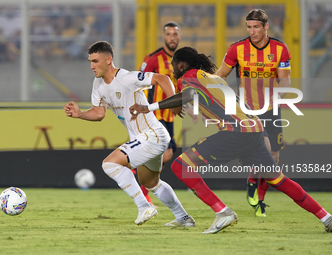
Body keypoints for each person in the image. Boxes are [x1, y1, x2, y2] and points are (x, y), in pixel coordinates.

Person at [129, 46, 332, 234]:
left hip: (236, 131)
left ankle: (222, 212)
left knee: (181, 166)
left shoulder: (188, 76)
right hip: (255, 129)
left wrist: (150, 107)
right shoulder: (214, 78)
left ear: (181, 65)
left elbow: (188, 94)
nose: (172, 69)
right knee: (278, 179)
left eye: (174, 65)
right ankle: (326, 217)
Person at [64, 41, 195, 227]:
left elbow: (163, 79)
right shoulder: (98, 84)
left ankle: (144, 206)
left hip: (152, 135)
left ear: (108, 60)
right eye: (90, 61)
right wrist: (79, 114)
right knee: (150, 182)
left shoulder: (127, 78)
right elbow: (99, 113)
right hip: (145, 139)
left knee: (109, 164)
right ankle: (183, 217)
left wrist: (173, 102)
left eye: (95, 60)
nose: (92, 65)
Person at [217, 9, 291, 217]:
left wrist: (279, 95)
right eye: (249, 27)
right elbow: (221, 75)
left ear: (266, 26)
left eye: (256, 27)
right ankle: (252, 177)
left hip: (270, 107)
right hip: (246, 110)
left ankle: (260, 198)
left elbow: (285, 79)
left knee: (274, 157)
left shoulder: (280, 49)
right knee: (255, 154)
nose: (252, 31)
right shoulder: (236, 49)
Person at [138, 21, 197, 205]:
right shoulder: (153, 58)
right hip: (154, 114)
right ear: (164, 36)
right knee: (164, 152)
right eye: (169, 34)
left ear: (179, 37)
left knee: (167, 154)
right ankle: (143, 186)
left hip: (170, 115)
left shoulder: (183, 61)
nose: (172, 37)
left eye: (175, 34)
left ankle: (142, 175)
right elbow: (139, 82)